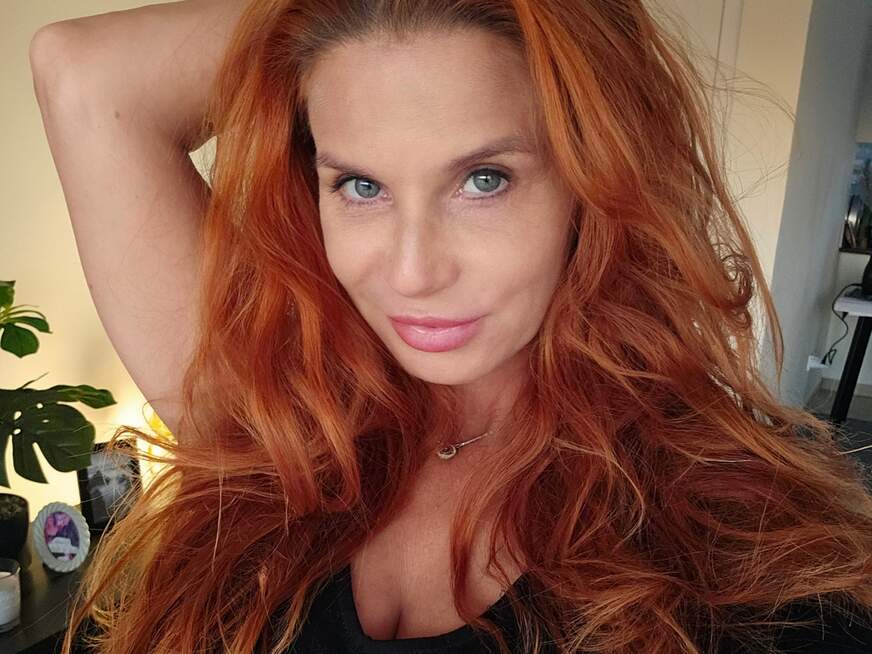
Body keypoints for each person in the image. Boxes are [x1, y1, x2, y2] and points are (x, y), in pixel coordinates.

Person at [27, 0, 872, 652]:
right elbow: (83, 73)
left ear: (596, 178)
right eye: (361, 186)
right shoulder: (282, 417)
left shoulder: (743, 555)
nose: (411, 273)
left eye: (484, 180)